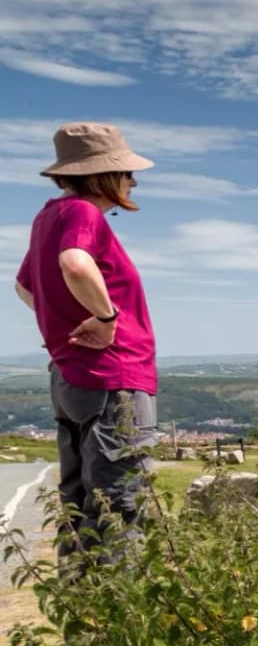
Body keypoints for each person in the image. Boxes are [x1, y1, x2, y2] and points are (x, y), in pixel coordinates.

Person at [11, 123, 160, 556]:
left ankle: (83, 605)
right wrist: (105, 316)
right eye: (127, 171)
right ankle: (120, 617)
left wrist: (62, 324)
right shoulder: (82, 213)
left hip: (71, 376)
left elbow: (24, 287)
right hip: (112, 375)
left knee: (78, 498)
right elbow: (75, 264)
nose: (133, 180)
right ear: (103, 175)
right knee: (120, 501)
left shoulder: (48, 216)